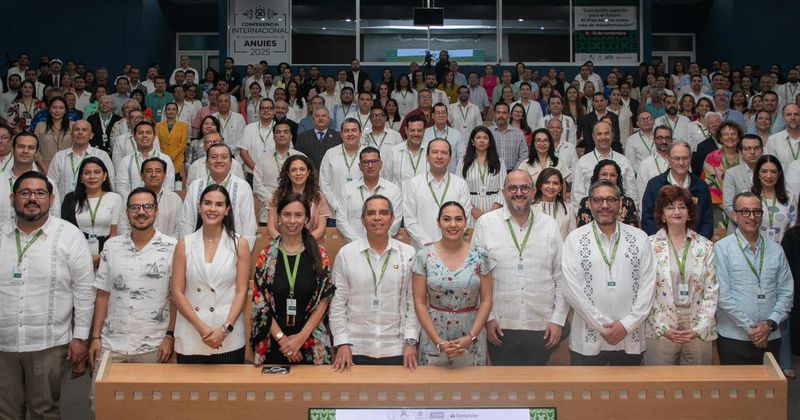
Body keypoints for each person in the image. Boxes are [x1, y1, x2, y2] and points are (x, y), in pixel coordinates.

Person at [0, 171, 94, 418]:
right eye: (24, 192)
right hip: (3, 343)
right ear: (12, 198)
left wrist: (80, 338)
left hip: (48, 343)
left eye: (39, 193)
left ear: (51, 199)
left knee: (44, 411)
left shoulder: (69, 236)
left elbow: (84, 290)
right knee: (6, 412)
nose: (32, 198)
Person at [472, 170, 567, 365]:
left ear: (533, 192)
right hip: (499, 325)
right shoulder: (486, 224)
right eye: (513, 188)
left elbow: (561, 277)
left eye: (525, 187)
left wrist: (558, 320)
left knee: (536, 390)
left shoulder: (549, 225)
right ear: (504, 192)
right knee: (504, 391)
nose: (519, 192)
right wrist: (487, 318)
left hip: (542, 325)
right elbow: (476, 276)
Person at [88, 186, 178, 389]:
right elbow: (102, 294)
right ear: (127, 212)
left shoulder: (173, 247)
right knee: (103, 406)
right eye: (135, 207)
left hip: (154, 346)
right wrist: (95, 338)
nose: (141, 212)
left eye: (147, 206)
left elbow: (176, 298)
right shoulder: (112, 246)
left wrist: (170, 337)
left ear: (156, 210)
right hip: (112, 344)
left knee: (150, 408)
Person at [562, 179, 656, 366]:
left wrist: (626, 326)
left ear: (620, 203)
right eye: (598, 200)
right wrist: (603, 327)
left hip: (629, 338)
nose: (604, 205)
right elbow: (571, 290)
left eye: (611, 200)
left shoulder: (640, 238)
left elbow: (649, 286)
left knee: (627, 395)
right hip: (587, 340)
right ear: (589, 204)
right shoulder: (575, 239)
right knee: (587, 395)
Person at [330, 195, 418, 369]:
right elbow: (338, 303)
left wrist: (411, 340)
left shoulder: (408, 254)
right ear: (362, 219)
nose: (377, 218)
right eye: (371, 213)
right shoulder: (346, 254)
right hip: (354, 349)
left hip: (397, 349)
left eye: (383, 213)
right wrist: (342, 343)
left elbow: (413, 303)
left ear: (393, 219)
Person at [251, 193, 336, 365]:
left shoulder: (319, 255)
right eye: (287, 214)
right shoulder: (267, 255)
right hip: (274, 342)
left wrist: (300, 339)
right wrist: (283, 340)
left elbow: (323, 300)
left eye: (298, 215)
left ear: (306, 219)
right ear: (279, 217)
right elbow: (259, 301)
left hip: (311, 341)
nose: (292, 221)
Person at [171, 184, 250, 364]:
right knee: (190, 391)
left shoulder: (240, 244)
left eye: (219, 204)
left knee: (228, 392)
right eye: (207, 203)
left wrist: (224, 329)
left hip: (228, 336)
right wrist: (201, 328)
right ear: (199, 207)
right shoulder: (184, 244)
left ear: (227, 209)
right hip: (192, 333)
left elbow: (241, 291)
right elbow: (176, 292)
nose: (212, 209)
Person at [715, 192, 794, 365]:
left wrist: (769, 325)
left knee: (771, 391)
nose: (752, 217)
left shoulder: (776, 249)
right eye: (745, 211)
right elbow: (723, 296)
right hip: (734, 338)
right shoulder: (722, 249)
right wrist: (752, 330)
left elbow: (787, 292)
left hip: (771, 335)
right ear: (734, 215)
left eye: (756, 211)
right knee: (735, 391)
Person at [411, 202, 493, 366]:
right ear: (438, 223)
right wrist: (437, 341)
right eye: (447, 219)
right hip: (434, 335)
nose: (453, 224)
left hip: (472, 333)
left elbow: (486, 300)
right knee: (433, 388)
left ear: (466, 222)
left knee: (472, 389)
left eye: (458, 219)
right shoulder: (423, 256)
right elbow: (419, 302)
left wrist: (471, 337)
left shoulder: (480, 256)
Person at [644, 185, 718, 365]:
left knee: (696, 388)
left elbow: (711, 290)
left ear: (690, 212)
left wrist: (698, 329)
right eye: (670, 207)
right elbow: (643, 291)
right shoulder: (648, 245)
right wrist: (662, 327)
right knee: (660, 387)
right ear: (661, 214)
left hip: (697, 326)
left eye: (682, 207)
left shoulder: (705, 246)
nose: (676, 211)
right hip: (660, 325)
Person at [179, 143, 257, 249]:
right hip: (198, 250)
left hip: (233, 250)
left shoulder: (242, 186)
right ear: (206, 163)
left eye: (224, 157)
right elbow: (186, 221)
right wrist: (188, 251)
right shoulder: (195, 186)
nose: (219, 161)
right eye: (213, 157)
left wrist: (242, 255)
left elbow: (249, 225)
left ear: (231, 163)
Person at [403, 138, 472, 249]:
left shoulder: (460, 184)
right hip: (421, 249)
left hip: (452, 250)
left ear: (450, 158)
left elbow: (464, 218)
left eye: (444, 153)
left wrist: (445, 244)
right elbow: (409, 219)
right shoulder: (414, 183)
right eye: (434, 152)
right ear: (427, 157)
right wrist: (428, 244)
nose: (439, 156)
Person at [641, 140, 714, 239]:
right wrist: (661, 242)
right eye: (676, 158)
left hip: (695, 246)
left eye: (685, 158)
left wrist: (698, 244)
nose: (681, 163)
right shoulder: (654, 185)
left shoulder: (701, 186)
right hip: (661, 246)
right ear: (668, 159)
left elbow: (707, 221)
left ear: (691, 158)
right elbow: (647, 219)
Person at [60, 156, 122, 269]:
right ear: (81, 178)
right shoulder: (71, 199)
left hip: (106, 256)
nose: (92, 177)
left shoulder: (115, 198)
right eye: (87, 173)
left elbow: (114, 233)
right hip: (77, 255)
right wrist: (86, 259)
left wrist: (100, 257)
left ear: (105, 176)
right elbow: (65, 233)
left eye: (97, 172)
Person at [335, 147, 402, 243]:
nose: (370, 165)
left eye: (374, 161)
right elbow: (341, 220)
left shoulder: (393, 190)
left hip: (383, 246)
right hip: (353, 247)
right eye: (366, 162)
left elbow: (396, 221)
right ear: (360, 166)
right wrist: (358, 243)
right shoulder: (348, 189)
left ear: (381, 164)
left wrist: (378, 240)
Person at [572, 120, 638, 208]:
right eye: (599, 134)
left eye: (606, 133)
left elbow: (632, 192)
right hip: (591, 213)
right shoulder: (583, 162)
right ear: (593, 136)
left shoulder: (623, 161)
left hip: (619, 213)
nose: (603, 137)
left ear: (612, 135)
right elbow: (577, 195)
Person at [253, 121, 306, 225]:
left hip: (295, 214)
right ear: (273, 136)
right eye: (278, 132)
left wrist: (292, 199)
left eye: (286, 132)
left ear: (291, 136)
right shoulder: (263, 159)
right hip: (268, 213)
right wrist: (274, 200)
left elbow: (306, 182)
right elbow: (257, 184)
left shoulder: (301, 157)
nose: (282, 134)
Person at [267, 155, 330, 241]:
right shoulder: (277, 197)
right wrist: (285, 243)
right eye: (293, 170)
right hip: (282, 246)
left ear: (308, 172)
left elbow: (321, 229)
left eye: (302, 169)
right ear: (288, 174)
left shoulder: (319, 198)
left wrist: (302, 243)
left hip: (310, 245)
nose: (298, 173)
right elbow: (271, 229)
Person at [47, 120, 114, 201]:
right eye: (76, 129)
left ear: (91, 135)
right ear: (71, 134)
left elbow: (110, 181)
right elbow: (51, 184)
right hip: (65, 207)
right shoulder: (59, 156)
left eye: (84, 130)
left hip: (95, 206)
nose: (80, 133)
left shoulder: (102, 155)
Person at [118, 157, 182, 238]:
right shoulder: (131, 198)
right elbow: (123, 228)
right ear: (141, 175)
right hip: (135, 248)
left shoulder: (175, 199)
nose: (153, 175)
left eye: (158, 171)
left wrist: (167, 247)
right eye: (149, 171)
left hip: (168, 248)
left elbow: (179, 229)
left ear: (164, 175)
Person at [456, 126, 506, 226]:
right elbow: (459, 188)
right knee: (472, 239)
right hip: (470, 208)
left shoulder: (499, 162)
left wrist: (494, 210)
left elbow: (504, 188)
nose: (482, 141)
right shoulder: (463, 162)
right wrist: (472, 209)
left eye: (485, 138)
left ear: (489, 142)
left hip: (494, 208)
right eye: (478, 138)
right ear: (472, 141)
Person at [116, 121, 176, 200]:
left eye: (148, 133)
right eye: (140, 133)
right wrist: (136, 202)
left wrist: (154, 203)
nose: (144, 135)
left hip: (160, 205)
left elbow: (169, 186)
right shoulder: (126, 161)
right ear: (134, 136)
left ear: (154, 137)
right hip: (134, 207)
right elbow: (121, 188)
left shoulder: (165, 159)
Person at [319, 118, 363, 219]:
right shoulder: (331, 154)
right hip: (335, 214)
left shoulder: (368, 154)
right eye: (346, 131)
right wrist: (337, 206)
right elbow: (324, 184)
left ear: (360, 134)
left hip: (361, 214)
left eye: (354, 130)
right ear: (341, 134)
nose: (350, 134)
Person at [576, 159, 640, 228]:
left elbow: (634, 231)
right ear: (597, 176)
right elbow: (582, 230)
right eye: (604, 174)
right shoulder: (586, 202)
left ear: (617, 178)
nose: (608, 178)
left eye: (613, 175)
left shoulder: (628, 202)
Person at [703, 121, 743, 230]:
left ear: (739, 137)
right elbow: (709, 184)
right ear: (720, 138)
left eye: (733, 134)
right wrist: (727, 208)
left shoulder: (745, 157)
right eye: (725, 134)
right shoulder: (711, 157)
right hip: (718, 207)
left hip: (744, 208)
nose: (730, 137)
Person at [723, 134, 764, 234]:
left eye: (756, 148)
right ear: (740, 152)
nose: (752, 152)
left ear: (762, 151)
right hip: (738, 230)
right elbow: (728, 206)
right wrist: (749, 221)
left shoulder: (769, 173)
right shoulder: (731, 174)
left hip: (766, 228)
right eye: (747, 148)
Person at [753, 155, 799, 243]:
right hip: (755, 249)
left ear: (779, 174)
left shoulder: (789, 198)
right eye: (764, 171)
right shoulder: (749, 197)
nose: (769, 176)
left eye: (773, 172)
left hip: (783, 250)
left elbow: (794, 228)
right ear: (758, 174)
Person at [384, 115, 429, 188]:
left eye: (419, 130)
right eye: (412, 130)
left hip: (424, 198)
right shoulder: (394, 151)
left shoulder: (431, 150)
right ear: (406, 130)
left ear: (424, 131)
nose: (416, 134)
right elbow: (387, 180)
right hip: (400, 198)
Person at [636, 125, 674, 207]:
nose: (664, 141)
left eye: (667, 138)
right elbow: (641, 193)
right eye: (659, 138)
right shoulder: (645, 164)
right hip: (653, 210)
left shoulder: (679, 162)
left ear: (671, 140)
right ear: (654, 140)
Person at [533, 167, 576, 240]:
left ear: (560, 187)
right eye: (546, 182)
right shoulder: (531, 208)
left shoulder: (568, 208)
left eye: (555, 183)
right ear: (540, 186)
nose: (551, 187)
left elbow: (573, 238)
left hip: (562, 251)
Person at [239, 98, 276, 182]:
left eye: (269, 108)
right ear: (259, 111)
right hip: (253, 175)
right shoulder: (249, 128)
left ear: (274, 111)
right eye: (263, 108)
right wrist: (257, 169)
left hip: (274, 175)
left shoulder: (279, 128)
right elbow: (243, 152)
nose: (266, 110)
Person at [295, 107, 342, 171]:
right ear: (312, 119)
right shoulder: (302, 137)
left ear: (329, 119)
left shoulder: (338, 136)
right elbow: (298, 158)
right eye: (317, 116)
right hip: (310, 176)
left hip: (332, 175)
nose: (321, 118)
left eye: (324, 116)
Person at [423, 103, 464, 173]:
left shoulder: (456, 134)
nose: (440, 115)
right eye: (437, 113)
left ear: (447, 115)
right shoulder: (425, 133)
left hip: (451, 176)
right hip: (429, 175)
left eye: (443, 112)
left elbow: (461, 158)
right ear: (433, 116)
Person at [489, 102, 528, 172]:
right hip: (492, 172)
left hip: (513, 172)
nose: (501, 115)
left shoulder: (518, 133)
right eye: (498, 112)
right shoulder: (488, 132)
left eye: (504, 113)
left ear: (509, 115)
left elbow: (524, 155)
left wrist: (515, 171)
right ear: (494, 114)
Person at [155, 102, 189, 180]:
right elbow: (156, 142)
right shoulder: (158, 126)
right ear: (165, 111)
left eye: (173, 109)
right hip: (162, 159)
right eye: (168, 109)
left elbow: (183, 144)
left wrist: (173, 155)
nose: (171, 111)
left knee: (178, 185)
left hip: (178, 160)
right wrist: (165, 156)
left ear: (177, 112)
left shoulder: (184, 126)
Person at [765, 103, 800, 169]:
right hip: (783, 179)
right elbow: (769, 166)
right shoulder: (773, 140)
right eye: (789, 114)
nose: (793, 118)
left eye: (796, 114)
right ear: (783, 117)